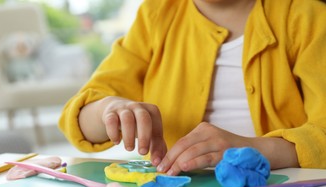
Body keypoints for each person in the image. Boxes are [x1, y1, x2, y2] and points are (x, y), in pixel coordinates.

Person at [59, 0, 326, 176]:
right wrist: (109, 109)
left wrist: (257, 149)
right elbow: (80, 119)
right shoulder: (155, 15)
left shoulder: (307, 17)